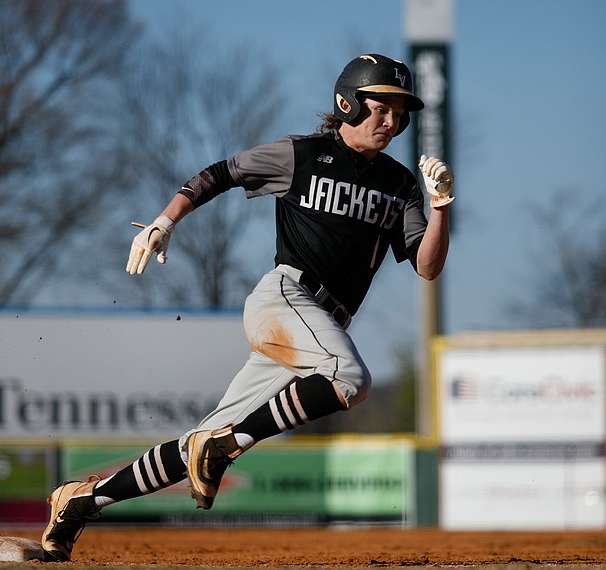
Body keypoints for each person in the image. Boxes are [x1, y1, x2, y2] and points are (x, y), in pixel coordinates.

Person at [40, 53, 454, 561]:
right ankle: (228, 443)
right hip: (286, 298)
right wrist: (164, 221)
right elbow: (221, 173)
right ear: (347, 103)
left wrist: (439, 210)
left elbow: (428, 267)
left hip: (315, 328)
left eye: (400, 112)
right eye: (381, 107)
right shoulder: (301, 155)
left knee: (200, 441)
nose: (391, 121)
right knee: (350, 380)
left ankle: (80, 501)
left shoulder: (401, 185)